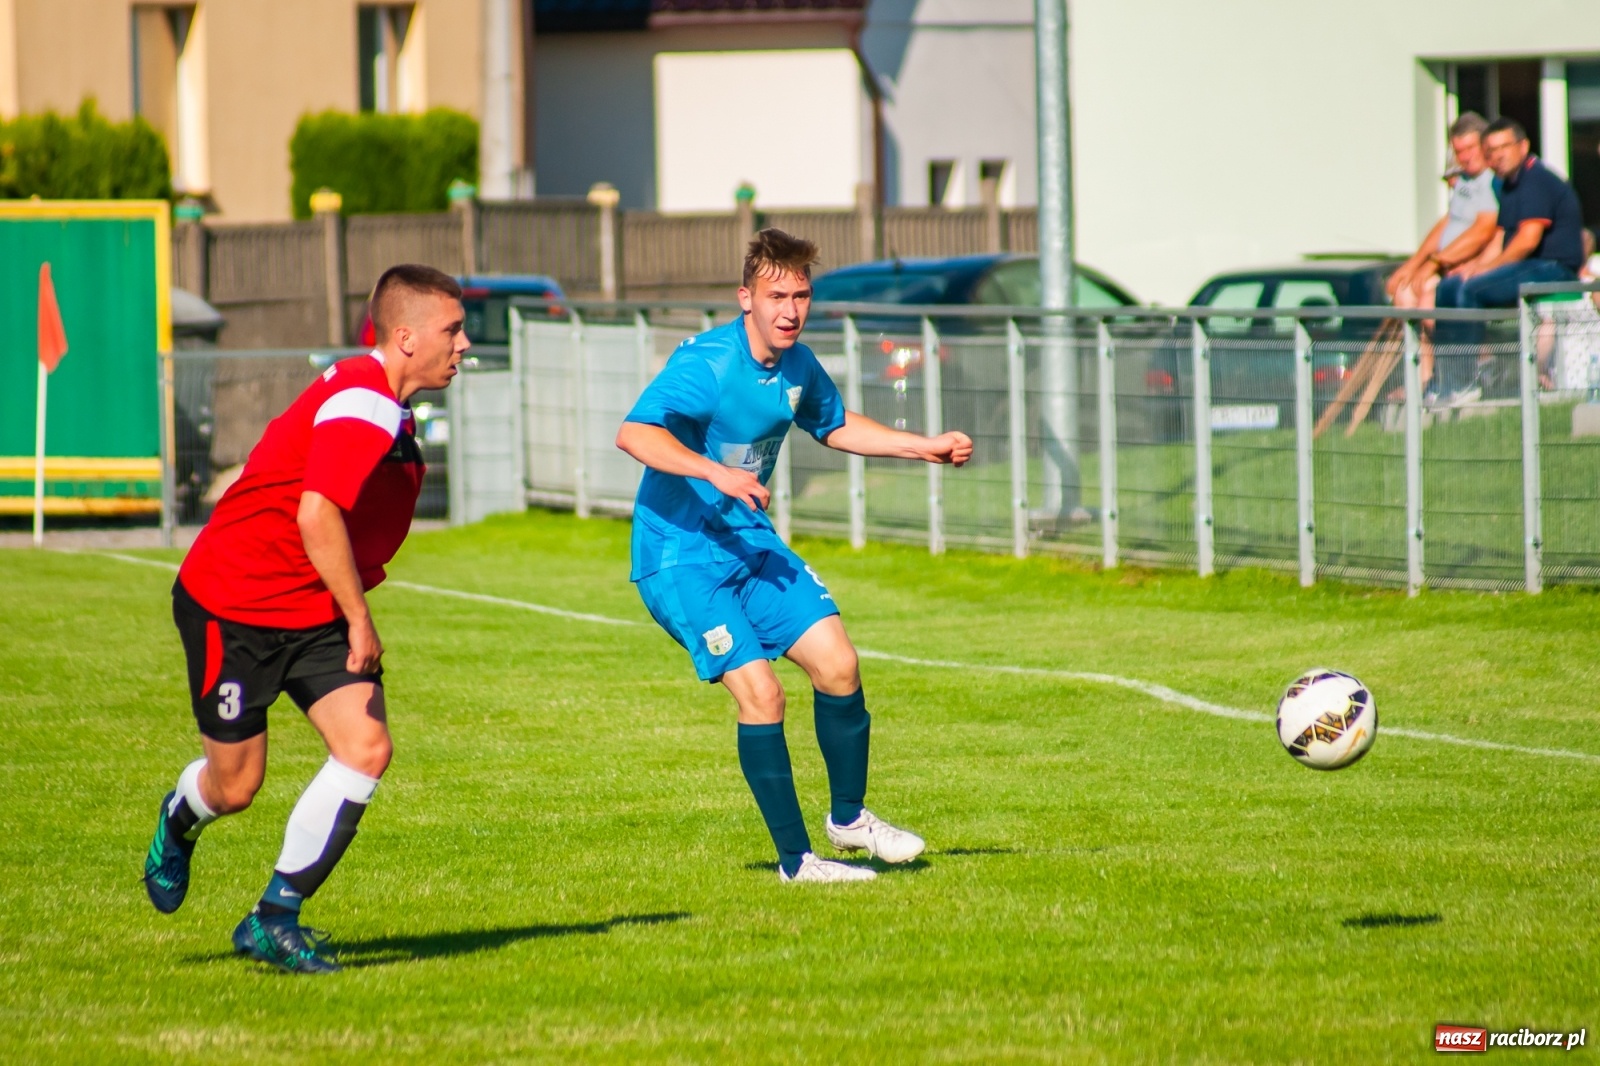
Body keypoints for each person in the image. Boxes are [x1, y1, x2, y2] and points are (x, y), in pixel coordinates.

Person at [616, 228, 973, 883]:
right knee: (763, 694)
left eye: (801, 295)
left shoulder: (798, 365)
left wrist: (920, 445)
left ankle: (848, 820)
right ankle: (797, 862)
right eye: (776, 295)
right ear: (744, 297)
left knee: (839, 663)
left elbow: (834, 424)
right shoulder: (708, 363)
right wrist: (715, 474)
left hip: (750, 544)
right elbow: (633, 432)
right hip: (681, 556)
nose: (790, 309)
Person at [141, 264, 469, 972]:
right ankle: (179, 815)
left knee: (366, 749)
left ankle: (273, 917)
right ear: (406, 337)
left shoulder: (383, 398)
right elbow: (315, 513)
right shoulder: (366, 404)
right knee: (236, 787)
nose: (464, 343)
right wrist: (360, 619)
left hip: (309, 603)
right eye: (453, 329)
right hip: (234, 603)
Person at [1386, 112, 1500, 390]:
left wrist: (1434, 263)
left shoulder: (1492, 181)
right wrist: (1414, 263)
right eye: (1458, 151)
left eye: (1470, 149)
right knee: (1404, 292)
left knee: (1427, 300)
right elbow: (1448, 222)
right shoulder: (1465, 182)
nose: (1464, 157)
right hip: (1446, 264)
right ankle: (1426, 379)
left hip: (1470, 267)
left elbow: (1485, 230)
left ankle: (1467, 367)